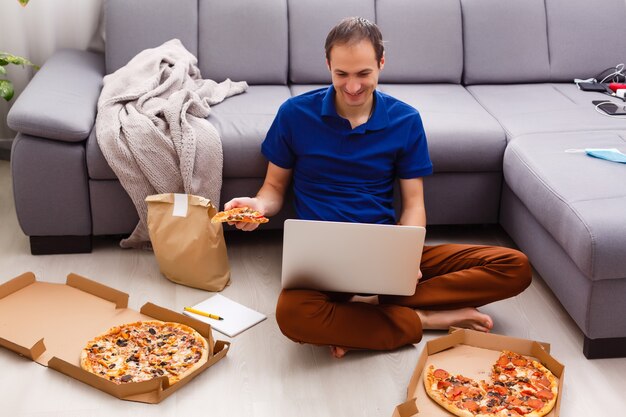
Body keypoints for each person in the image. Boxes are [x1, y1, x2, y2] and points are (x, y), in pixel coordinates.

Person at [224, 17, 531, 358]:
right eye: (341, 74)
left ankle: (361, 311)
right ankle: (421, 318)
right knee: (293, 315)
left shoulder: (405, 120)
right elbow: (273, 189)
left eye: (363, 74)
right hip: (323, 262)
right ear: (328, 66)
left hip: (384, 249)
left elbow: (413, 204)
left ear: (381, 64)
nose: (352, 86)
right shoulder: (294, 114)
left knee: (514, 267)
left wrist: (407, 255)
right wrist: (257, 207)